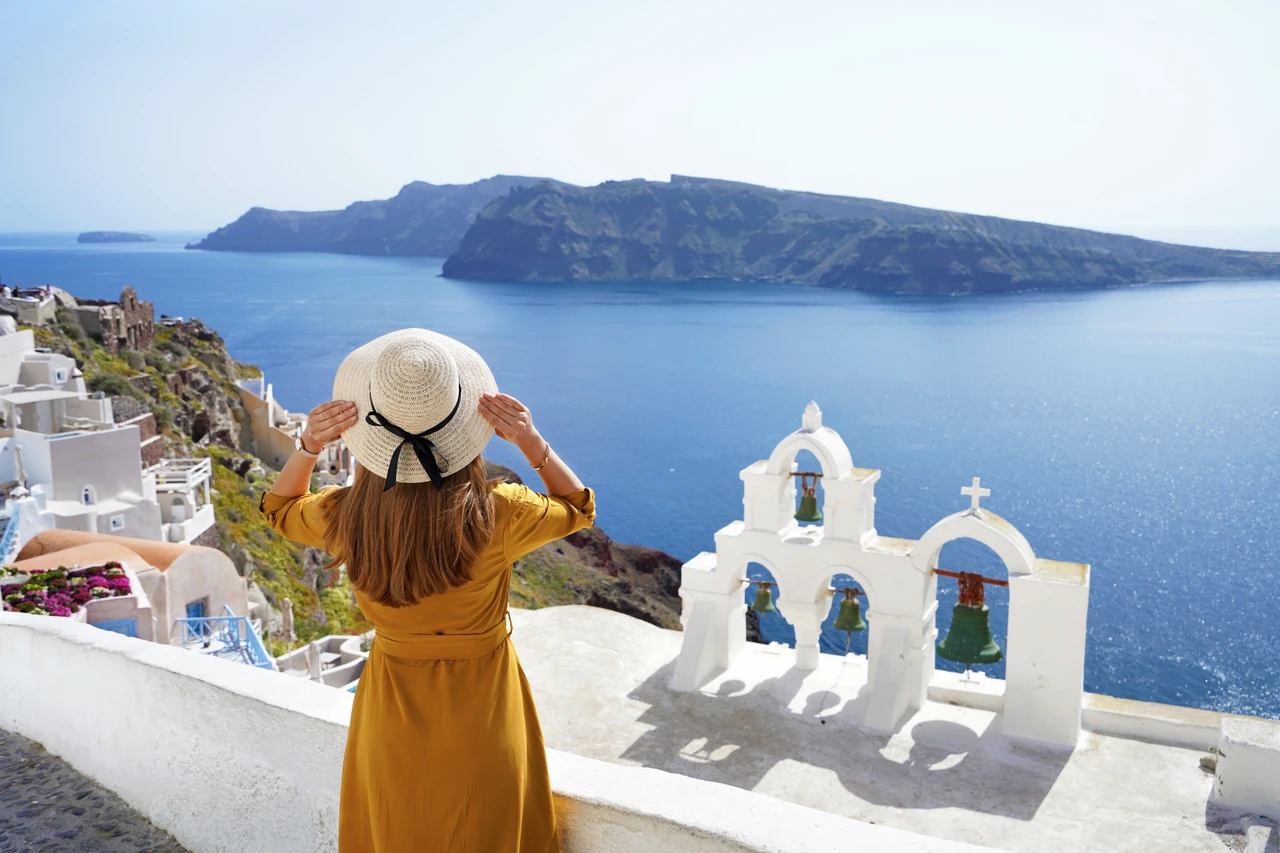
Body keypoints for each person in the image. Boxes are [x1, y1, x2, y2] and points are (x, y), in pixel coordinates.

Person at [259, 328, 594, 852]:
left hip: (391, 708)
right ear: (465, 424)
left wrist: (308, 446)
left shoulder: (343, 516)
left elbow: (278, 509)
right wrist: (531, 441)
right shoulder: (501, 512)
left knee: (399, 827)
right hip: (484, 708)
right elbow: (578, 507)